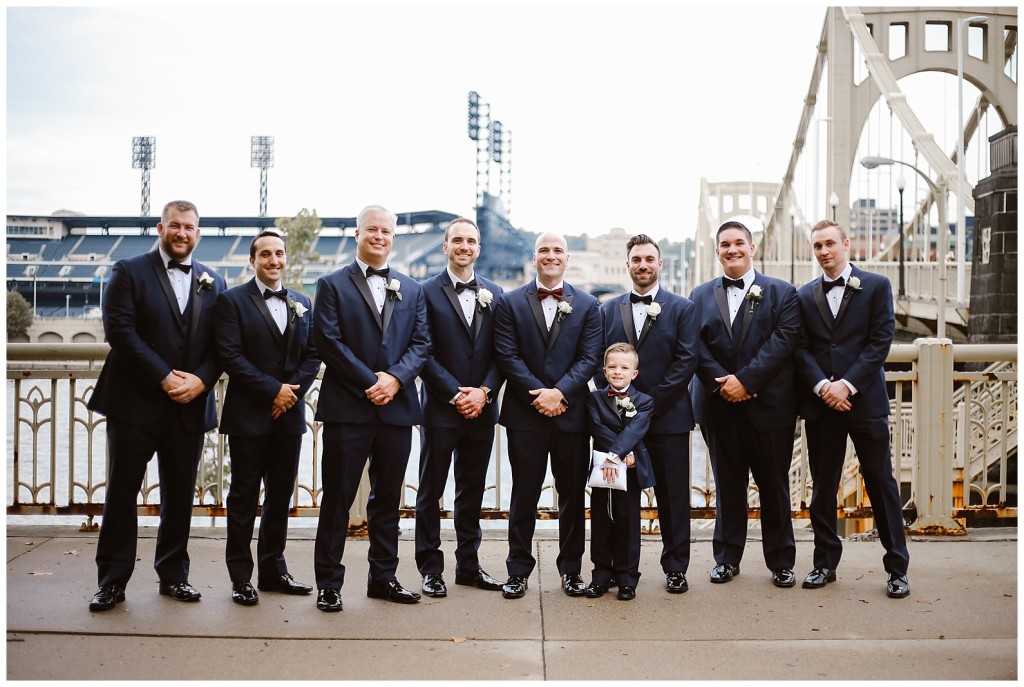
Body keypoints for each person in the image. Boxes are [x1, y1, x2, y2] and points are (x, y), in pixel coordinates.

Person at [87, 200, 226, 611]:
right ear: (160, 228)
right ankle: (112, 580)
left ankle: (174, 575)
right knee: (122, 493)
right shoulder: (128, 271)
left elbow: (224, 343)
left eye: (190, 227)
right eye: (175, 226)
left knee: (180, 494)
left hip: (190, 405)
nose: (182, 233)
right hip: (134, 404)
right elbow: (121, 332)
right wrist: (165, 377)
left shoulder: (213, 280)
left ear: (198, 234)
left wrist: (201, 379)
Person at [311, 204, 430, 612]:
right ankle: (329, 582)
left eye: (386, 232)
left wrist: (395, 379)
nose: (379, 237)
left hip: (396, 410)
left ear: (393, 238)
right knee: (338, 498)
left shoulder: (412, 289)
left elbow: (421, 344)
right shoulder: (331, 284)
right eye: (372, 230)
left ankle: (384, 577)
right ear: (358, 233)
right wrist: (370, 382)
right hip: (349, 407)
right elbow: (327, 341)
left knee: (387, 500)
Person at [794, 219, 910, 599]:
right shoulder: (804, 294)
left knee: (881, 483)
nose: (824, 251)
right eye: (817, 247)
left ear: (846, 244)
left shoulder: (876, 286)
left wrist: (846, 384)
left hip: (866, 402)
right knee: (823, 487)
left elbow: (881, 340)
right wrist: (823, 387)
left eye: (830, 244)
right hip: (821, 404)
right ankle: (824, 564)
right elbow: (801, 348)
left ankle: (897, 569)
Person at [689, 220, 800, 589]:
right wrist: (724, 385)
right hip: (719, 406)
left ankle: (781, 562)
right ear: (717, 251)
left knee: (774, 487)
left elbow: (783, 342)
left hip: (769, 407)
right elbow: (695, 348)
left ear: (752, 248)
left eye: (739, 243)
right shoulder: (699, 294)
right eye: (725, 244)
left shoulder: (782, 292)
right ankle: (726, 558)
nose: (732, 249)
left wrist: (747, 381)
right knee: (727, 485)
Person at [492, 231, 603, 599]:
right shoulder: (509, 303)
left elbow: (589, 358)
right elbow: (507, 356)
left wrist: (560, 393)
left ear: (567, 259)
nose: (551, 256)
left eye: (558, 251)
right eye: (544, 250)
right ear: (534, 257)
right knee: (523, 494)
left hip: (571, 415)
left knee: (572, 496)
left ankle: (571, 570)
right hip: (525, 416)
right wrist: (539, 396)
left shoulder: (588, 305)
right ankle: (518, 570)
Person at [214, 231, 320, 606]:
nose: (274, 260)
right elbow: (230, 355)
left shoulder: (302, 301)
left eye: (279, 254)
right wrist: (271, 390)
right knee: (243, 497)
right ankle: (241, 577)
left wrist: (290, 395)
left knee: (279, 498)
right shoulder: (231, 302)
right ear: (252, 261)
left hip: (288, 416)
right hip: (248, 417)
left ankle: (274, 571)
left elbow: (313, 355)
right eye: (266, 255)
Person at [598, 234, 698, 594]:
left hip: (667, 420)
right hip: (618, 425)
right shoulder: (607, 309)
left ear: (660, 264)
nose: (642, 265)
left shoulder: (683, 308)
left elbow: (686, 361)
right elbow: (600, 362)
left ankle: (675, 568)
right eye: (636, 259)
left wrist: (648, 406)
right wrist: (621, 408)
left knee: (673, 497)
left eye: (649, 259)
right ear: (628, 265)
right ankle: (615, 570)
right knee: (618, 500)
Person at [414, 218, 505, 597]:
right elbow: (421, 349)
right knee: (430, 491)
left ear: (478, 248)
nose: (464, 246)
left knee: (472, 491)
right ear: (445, 246)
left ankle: (469, 566)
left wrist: (484, 391)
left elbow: (503, 352)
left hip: (482, 410)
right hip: (440, 408)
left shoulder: (496, 293)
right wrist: (454, 393)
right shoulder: (423, 292)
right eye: (457, 240)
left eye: (471, 240)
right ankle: (430, 569)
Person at [585, 342, 654, 601]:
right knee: (601, 521)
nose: (617, 372)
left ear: (633, 373)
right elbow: (596, 427)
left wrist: (621, 454)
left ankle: (627, 578)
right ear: (603, 371)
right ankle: (600, 575)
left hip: (630, 468)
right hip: (604, 467)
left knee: (627, 522)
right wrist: (615, 456)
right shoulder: (593, 399)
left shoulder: (645, 401)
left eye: (624, 367)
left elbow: (636, 429)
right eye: (612, 367)